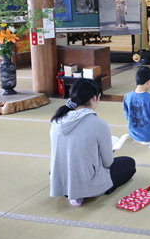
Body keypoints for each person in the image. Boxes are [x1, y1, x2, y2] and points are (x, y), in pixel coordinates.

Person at [50, 79, 136, 207]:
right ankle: (88, 193)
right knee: (129, 163)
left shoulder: (57, 121)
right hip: (86, 184)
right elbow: (108, 163)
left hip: (61, 183)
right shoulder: (98, 125)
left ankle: (74, 193)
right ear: (94, 98)